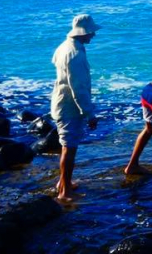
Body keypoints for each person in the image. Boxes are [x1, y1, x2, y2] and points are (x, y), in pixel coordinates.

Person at [50, 13, 100, 203]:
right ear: (83, 33)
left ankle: (64, 183)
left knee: (67, 147)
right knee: (69, 148)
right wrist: (89, 113)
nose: (93, 35)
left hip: (61, 101)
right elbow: (78, 89)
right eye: (91, 32)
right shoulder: (76, 54)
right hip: (70, 107)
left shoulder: (64, 47)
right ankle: (64, 191)